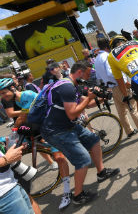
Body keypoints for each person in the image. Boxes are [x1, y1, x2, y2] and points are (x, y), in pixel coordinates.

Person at [40, 61, 120, 205]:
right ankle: (78, 195)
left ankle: (101, 172)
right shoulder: (66, 87)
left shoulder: (72, 85)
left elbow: (87, 104)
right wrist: (89, 97)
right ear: (80, 72)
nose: (89, 77)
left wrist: (102, 98)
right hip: (56, 131)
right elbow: (72, 114)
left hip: (67, 125)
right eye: (88, 74)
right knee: (83, 160)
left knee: (94, 140)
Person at [0, 78, 72, 210]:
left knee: (59, 157)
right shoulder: (15, 100)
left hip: (50, 125)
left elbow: (22, 118)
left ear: (12, 88)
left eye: (4, 92)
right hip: (38, 126)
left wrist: (15, 130)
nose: (3, 96)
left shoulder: (26, 95)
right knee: (16, 146)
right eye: (1, 94)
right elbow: (20, 117)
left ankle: (67, 192)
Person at [94, 38, 138, 137]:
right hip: (119, 84)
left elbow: (98, 77)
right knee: (132, 107)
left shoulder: (97, 59)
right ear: (107, 46)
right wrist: (125, 82)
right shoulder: (107, 56)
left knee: (121, 111)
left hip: (110, 87)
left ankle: (129, 131)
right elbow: (111, 73)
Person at [107, 36, 138, 125]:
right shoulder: (137, 42)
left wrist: (125, 95)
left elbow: (119, 79)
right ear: (125, 41)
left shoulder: (111, 55)